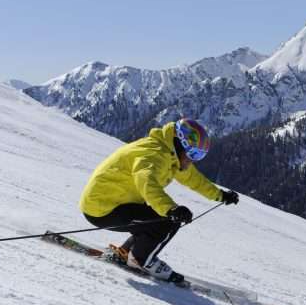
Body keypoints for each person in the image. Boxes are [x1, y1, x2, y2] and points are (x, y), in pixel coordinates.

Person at [79, 118, 239, 283]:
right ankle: (140, 261)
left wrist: (220, 195)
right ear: (179, 144)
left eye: (199, 155)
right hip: (103, 208)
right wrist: (171, 209)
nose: (193, 160)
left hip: (111, 202)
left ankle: (127, 252)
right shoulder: (153, 155)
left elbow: (193, 178)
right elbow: (147, 183)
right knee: (166, 222)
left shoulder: (169, 154)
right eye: (193, 154)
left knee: (153, 220)